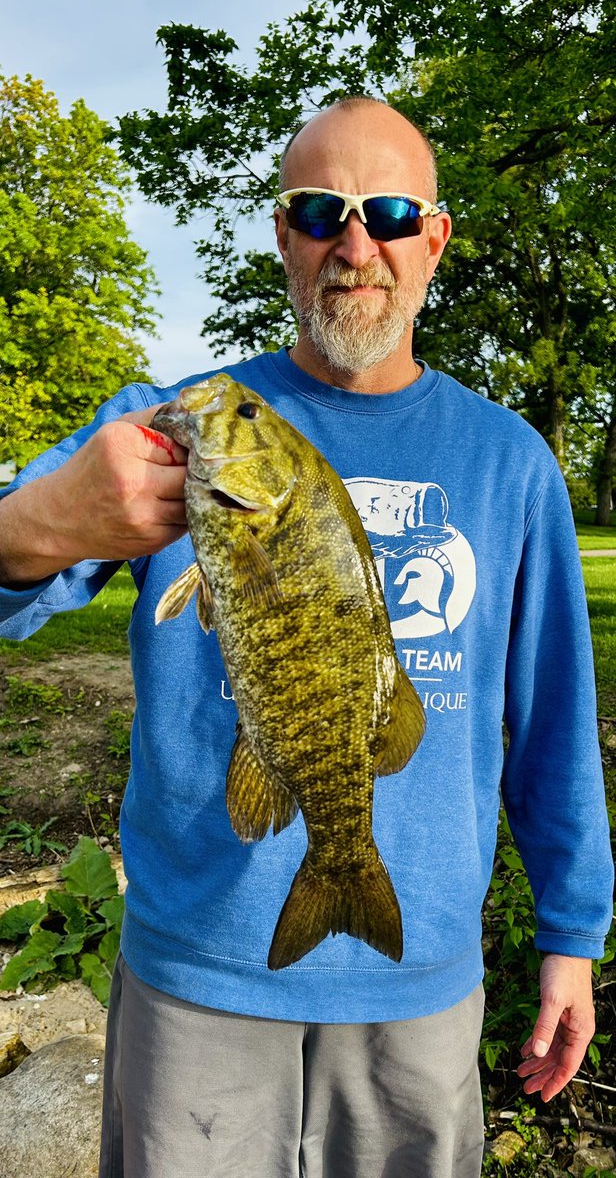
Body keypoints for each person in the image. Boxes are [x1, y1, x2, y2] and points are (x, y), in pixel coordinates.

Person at [0, 98, 613, 1178]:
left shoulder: (509, 463)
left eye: (386, 211)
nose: (354, 241)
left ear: (433, 238)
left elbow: (554, 724)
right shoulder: (175, 424)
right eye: (321, 209)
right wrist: (45, 522)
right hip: (198, 979)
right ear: (284, 235)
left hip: (417, 990)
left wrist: (571, 937)